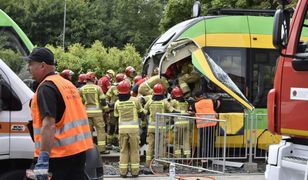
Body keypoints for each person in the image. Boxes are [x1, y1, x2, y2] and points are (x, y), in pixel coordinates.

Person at [25, 47, 93, 180]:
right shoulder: (67, 84)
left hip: (58, 156)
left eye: (31, 64)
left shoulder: (46, 87)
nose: (28, 68)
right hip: (78, 151)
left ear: (42, 65)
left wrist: (43, 159)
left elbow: (48, 125)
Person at [114, 80, 143, 178]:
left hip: (122, 130)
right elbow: (141, 112)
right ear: (129, 90)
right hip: (133, 130)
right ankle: (135, 172)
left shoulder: (117, 102)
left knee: (123, 150)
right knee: (134, 150)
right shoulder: (135, 100)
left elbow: (116, 114)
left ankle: (123, 172)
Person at [143, 83, 176, 167]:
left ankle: (148, 163)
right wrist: (184, 113)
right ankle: (161, 162)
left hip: (151, 128)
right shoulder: (164, 102)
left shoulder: (150, 101)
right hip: (161, 128)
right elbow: (173, 111)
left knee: (150, 145)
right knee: (161, 145)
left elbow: (144, 112)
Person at [79, 71, 110, 154]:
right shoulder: (98, 88)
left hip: (86, 113)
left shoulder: (82, 89)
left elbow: (80, 102)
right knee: (100, 130)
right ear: (93, 78)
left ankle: (89, 149)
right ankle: (102, 149)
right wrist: (106, 110)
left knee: (88, 131)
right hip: (97, 113)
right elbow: (103, 101)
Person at [190, 90, 220, 158]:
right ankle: (210, 157)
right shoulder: (211, 101)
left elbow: (190, 111)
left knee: (204, 142)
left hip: (203, 126)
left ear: (196, 97)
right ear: (202, 95)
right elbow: (218, 103)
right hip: (212, 124)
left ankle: (204, 158)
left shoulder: (195, 104)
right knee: (211, 141)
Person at [170, 86, 191, 158]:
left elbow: (169, 108)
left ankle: (177, 156)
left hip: (178, 124)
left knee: (177, 142)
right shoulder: (185, 102)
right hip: (186, 123)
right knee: (186, 141)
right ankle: (187, 156)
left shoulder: (174, 101)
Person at [105, 73, 125, 146]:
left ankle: (116, 142)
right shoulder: (113, 88)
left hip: (121, 109)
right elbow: (107, 96)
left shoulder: (126, 86)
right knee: (112, 126)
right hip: (113, 110)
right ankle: (109, 142)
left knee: (119, 126)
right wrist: (108, 104)